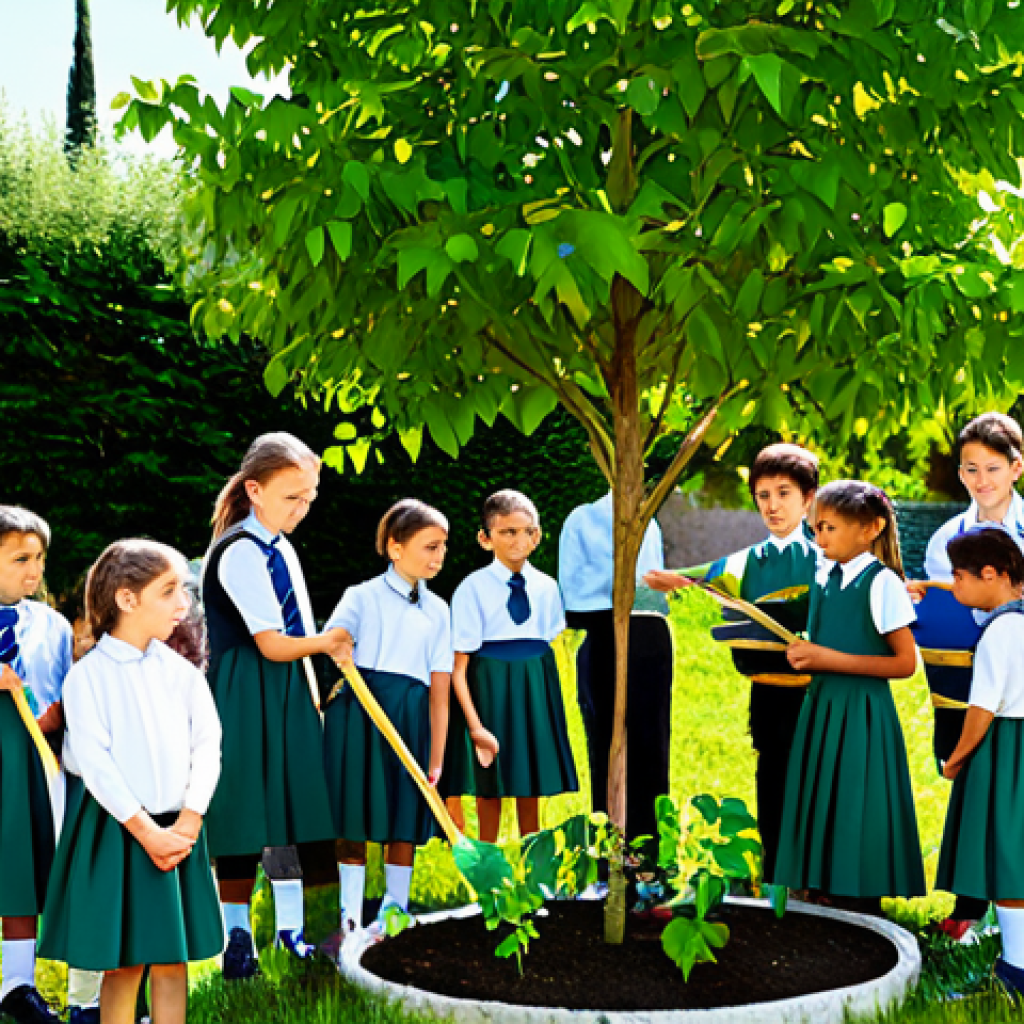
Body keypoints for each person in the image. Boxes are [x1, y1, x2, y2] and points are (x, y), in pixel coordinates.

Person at [38, 539, 224, 1024]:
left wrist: (188, 821)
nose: (184, 604)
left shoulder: (184, 675)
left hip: (179, 832)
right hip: (119, 834)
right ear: (127, 598)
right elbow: (96, 764)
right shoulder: (87, 679)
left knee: (171, 962)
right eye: (169, 591)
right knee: (122, 965)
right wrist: (148, 832)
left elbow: (207, 743)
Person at [201, 433, 349, 977]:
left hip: (288, 686)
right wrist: (330, 643)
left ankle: (294, 933)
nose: (302, 508)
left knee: (293, 805)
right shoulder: (239, 552)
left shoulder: (282, 547)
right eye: (292, 497)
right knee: (245, 811)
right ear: (255, 490)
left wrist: (312, 685)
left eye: (309, 497)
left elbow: (297, 630)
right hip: (247, 688)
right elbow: (270, 641)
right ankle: (237, 940)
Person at [645, 443, 819, 883]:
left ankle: (813, 869)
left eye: (784, 493)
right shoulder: (747, 561)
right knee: (771, 770)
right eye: (764, 495)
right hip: (765, 689)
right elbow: (707, 572)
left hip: (815, 693)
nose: (773, 505)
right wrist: (677, 577)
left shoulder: (823, 560)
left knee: (815, 778)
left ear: (808, 498)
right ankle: (777, 865)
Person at [775, 481, 925, 905]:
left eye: (829, 528)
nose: (819, 539)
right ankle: (821, 889)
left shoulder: (883, 585)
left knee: (858, 802)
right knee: (825, 795)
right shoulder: (825, 578)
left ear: (870, 528)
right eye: (816, 529)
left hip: (861, 715)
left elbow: (905, 664)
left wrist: (826, 658)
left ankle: (859, 899)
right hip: (822, 709)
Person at [909, 413, 1024, 933]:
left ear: (1017, 467)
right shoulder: (945, 539)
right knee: (974, 785)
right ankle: (972, 911)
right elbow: (946, 604)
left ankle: (1005, 910)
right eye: (971, 469)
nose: (983, 480)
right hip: (961, 683)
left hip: (1016, 684)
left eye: (993, 468)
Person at [323, 499, 453, 935]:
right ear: (395, 549)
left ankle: (393, 914)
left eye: (443, 547)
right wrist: (338, 644)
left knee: (403, 815)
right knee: (353, 815)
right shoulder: (360, 597)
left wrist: (437, 757)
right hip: (359, 716)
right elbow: (333, 643)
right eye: (429, 546)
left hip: (411, 717)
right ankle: (350, 918)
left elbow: (440, 690)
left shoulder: (439, 610)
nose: (438, 556)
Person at [447, 490, 577, 844]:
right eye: (507, 532)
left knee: (529, 785)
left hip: (534, 689)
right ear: (485, 538)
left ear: (536, 536)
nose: (518, 540)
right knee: (491, 788)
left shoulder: (548, 588)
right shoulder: (471, 590)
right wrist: (474, 726)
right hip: (489, 691)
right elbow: (458, 668)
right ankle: (489, 885)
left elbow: (552, 646)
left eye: (526, 531)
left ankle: (533, 881)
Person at [935, 527, 1024, 997]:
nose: (955, 587)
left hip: (1007, 750)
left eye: (960, 576)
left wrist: (959, 756)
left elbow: (982, 708)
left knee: (1007, 863)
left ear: (992, 574)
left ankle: (1014, 975)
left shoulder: (999, 630)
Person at [558, 491, 669, 841]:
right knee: (605, 744)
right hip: (603, 636)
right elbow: (571, 596)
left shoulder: (648, 521)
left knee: (651, 746)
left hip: (649, 635)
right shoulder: (581, 519)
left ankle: (648, 856)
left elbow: (655, 588)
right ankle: (611, 852)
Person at [0, 507, 72, 1024]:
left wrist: (56, 715)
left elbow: (63, 688)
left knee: (20, 864)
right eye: (20, 559)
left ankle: (17, 984)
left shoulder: (51, 625)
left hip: (27, 757)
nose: (34, 572)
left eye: (39, 559)